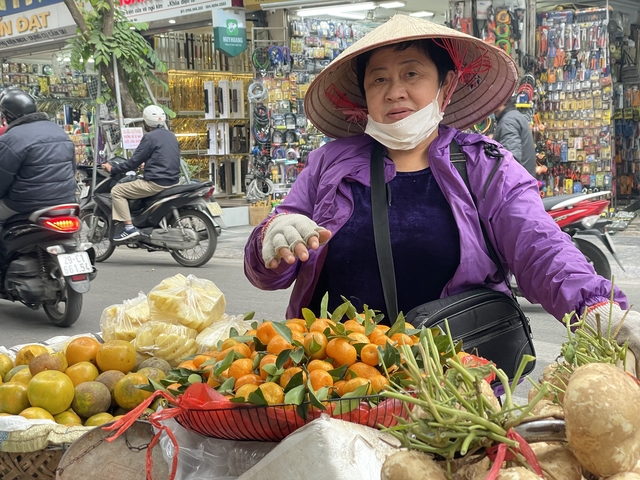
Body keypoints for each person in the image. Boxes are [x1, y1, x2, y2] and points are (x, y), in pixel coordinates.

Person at [244, 15, 640, 371]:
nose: (395, 91)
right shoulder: (328, 164)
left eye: (412, 74)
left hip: (452, 387)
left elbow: (540, 245)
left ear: (445, 85)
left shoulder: (485, 165)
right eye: (379, 79)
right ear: (365, 96)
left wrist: (597, 308)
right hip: (335, 381)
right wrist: (273, 238)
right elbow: (273, 269)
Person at [103, 105, 180, 242]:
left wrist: (113, 169)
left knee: (117, 191)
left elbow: (133, 162)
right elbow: (166, 157)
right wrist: (148, 164)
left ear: (146, 122)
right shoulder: (171, 135)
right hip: (173, 181)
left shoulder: (149, 138)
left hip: (156, 183)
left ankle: (128, 227)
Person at [0, 89, 76, 221]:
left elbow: (2, 179)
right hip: (66, 200)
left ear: (8, 115)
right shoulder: (58, 131)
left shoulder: (10, 139)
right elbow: (73, 168)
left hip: (26, 204)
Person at [493, 95, 536, 177]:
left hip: (518, 185)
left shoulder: (508, 121)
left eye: (493, 100)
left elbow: (510, 161)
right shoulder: (514, 116)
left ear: (502, 101)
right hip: (523, 183)